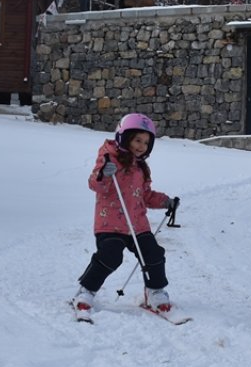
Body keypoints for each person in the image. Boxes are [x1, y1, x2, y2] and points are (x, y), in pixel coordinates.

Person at [73, 113, 178, 314]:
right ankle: (86, 291)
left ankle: (154, 292)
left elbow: (145, 195)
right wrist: (104, 173)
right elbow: (95, 184)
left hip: (137, 225)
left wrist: (165, 201)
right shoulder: (108, 158)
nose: (141, 146)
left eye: (146, 143)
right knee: (110, 255)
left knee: (153, 254)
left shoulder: (141, 167)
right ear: (124, 136)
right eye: (137, 140)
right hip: (110, 224)